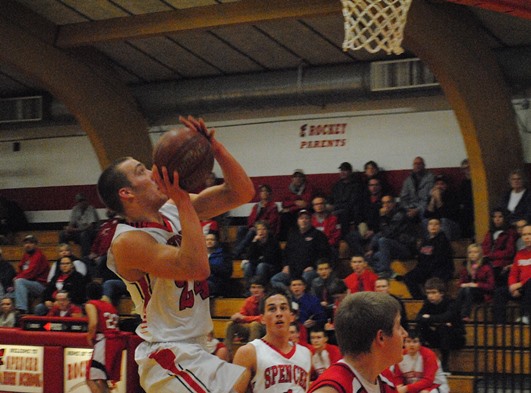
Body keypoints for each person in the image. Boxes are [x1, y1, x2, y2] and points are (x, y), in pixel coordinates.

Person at [98, 115, 254, 393]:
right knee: (244, 381)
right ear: (127, 193)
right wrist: (182, 200)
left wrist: (215, 149)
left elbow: (240, 193)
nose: (154, 171)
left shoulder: (174, 209)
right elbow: (196, 267)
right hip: (168, 353)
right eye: (141, 171)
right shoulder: (127, 241)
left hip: (198, 346)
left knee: (251, 379)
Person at [308, 291, 408, 393]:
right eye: (399, 326)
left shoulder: (386, 379)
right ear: (381, 337)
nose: (405, 334)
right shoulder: (331, 389)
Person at [232, 288, 312, 393]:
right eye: (272, 309)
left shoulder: (306, 354)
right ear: (262, 318)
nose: (279, 313)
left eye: (283, 308)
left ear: (292, 316)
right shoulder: (248, 352)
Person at [415, 278, 465, 373]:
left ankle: (445, 365)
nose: (430, 296)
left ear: (441, 293)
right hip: (438, 336)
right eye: (428, 293)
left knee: (444, 328)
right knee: (420, 326)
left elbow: (447, 316)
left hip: (455, 338)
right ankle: (421, 357)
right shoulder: (428, 303)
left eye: (433, 293)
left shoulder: (451, 303)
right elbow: (418, 317)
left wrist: (429, 318)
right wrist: (437, 320)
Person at [271, 209, 331, 288]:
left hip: (309, 270)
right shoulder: (292, 234)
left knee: (305, 278)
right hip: (292, 270)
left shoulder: (318, 235)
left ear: (310, 220)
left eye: (306, 218)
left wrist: (313, 266)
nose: (304, 221)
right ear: (297, 221)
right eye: (301, 218)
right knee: (275, 279)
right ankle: (290, 295)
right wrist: (286, 265)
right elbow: (285, 252)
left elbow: (324, 254)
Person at [86, 281, 125, 393]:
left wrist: (89, 337)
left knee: (90, 378)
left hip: (106, 341)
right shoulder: (109, 305)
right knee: (102, 379)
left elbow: (93, 323)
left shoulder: (91, 304)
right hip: (116, 341)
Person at [366, 195, 418, 279]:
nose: (386, 205)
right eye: (383, 203)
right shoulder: (388, 215)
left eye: (388, 202)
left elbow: (389, 234)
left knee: (383, 241)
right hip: (393, 247)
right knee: (370, 256)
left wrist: (382, 218)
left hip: (406, 248)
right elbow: (380, 233)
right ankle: (387, 271)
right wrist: (371, 248)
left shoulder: (400, 215)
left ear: (394, 203)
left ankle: (385, 271)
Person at [404, 218, 454, 300]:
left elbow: (440, 260)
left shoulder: (443, 240)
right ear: (427, 227)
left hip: (440, 269)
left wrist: (426, 270)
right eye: (431, 224)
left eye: (436, 224)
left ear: (440, 226)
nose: (433, 226)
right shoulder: (425, 241)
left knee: (433, 280)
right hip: (426, 269)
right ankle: (419, 299)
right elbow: (421, 259)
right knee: (408, 277)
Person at [492, 224, 531, 325]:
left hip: (527, 286)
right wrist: (512, 287)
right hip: (521, 288)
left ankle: (526, 316)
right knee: (499, 292)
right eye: (524, 234)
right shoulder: (520, 254)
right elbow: (513, 273)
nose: (527, 237)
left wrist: (520, 285)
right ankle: (499, 325)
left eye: (529, 234)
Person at [233, 184, 280, 258]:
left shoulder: (273, 206)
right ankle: (241, 252)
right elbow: (250, 219)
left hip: (267, 229)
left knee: (252, 231)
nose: (264, 193)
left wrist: (258, 226)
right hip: (255, 227)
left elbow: (272, 221)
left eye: (266, 191)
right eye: (262, 191)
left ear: (269, 193)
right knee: (241, 229)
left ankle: (236, 252)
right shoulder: (256, 206)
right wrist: (254, 226)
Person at [225, 276, 267, 360]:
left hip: (265, 329)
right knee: (231, 324)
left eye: (259, 287)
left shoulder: (268, 300)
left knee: (254, 325)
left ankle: (249, 354)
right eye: (253, 287)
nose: (256, 290)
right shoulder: (249, 301)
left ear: (264, 289)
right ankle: (227, 352)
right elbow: (242, 315)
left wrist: (244, 318)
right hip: (250, 328)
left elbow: (263, 319)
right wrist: (236, 317)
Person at [456, 243, 495, 321]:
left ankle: (464, 315)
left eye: (475, 252)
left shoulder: (486, 267)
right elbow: (461, 283)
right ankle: (456, 314)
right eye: (470, 252)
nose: (472, 254)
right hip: (468, 292)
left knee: (467, 290)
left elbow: (491, 286)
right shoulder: (466, 266)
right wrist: (464, 284)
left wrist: (476, 285)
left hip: (483, 293)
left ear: (480, 254)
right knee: (464, 290)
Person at [13, 234, 49, 314]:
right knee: (11, 292)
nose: (27, 245)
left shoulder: (38, 255)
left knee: (19, 282)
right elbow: (20, 269)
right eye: (26, 243)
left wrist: (17, 278)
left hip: (41, 285)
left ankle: (22, 310)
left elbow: (31, 273)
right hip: (30, 283)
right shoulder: (26, 255)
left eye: (30, 243)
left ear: (35, 244)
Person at [327, 162, 364, 239]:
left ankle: (343, 238)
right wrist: (328, 206)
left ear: (350, 172)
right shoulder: (337, 185)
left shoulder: (357, 186)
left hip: (349, 212)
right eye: (341, 170)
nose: (342, 173)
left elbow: (352, 202)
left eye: (345, 170)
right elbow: (330, 199)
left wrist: (334, 207)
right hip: (337, 210)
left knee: (344, 213)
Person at [481, 207, 517, 287]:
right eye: (495, 217)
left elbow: (509, 252)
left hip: (502, 263)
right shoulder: (490, 232)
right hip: (488, 262)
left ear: (505, 218)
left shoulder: (510, 232)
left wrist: (491, 255)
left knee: (492, 272)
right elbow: (484, 247)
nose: (497, 219)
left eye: (500, 217)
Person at [241, 220, 282, 288]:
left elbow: (269, 258)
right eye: (259, 229)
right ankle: (249, 289)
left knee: (261, 266)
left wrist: (257, 259)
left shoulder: (273, 241)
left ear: (267, 230)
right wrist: (254, 242)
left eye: (264, 229)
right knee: (247, 266)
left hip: (272, 266)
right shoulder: (255, 241)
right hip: (258, 264)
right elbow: (249, 256)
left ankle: (262, 288)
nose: (261, 231)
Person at [59, 193, 100, 257]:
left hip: (92, 233)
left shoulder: (90, 209)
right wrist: (68, 229)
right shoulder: (75, 209)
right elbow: (72, 223)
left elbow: (90, 227)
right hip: (79, 232)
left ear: (86, 201)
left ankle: (85, 258)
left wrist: (75, 230)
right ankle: (65, 256)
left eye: (82, 201)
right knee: (62, 234)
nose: (81, 203)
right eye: (79, 201)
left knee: (84, 235)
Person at [279, 169, 314, 240]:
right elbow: (284, 203)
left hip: (306, 210)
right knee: (283, 217)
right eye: (296, 177)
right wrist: (295, 202)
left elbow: (305, 203)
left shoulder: (309, 187)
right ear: (292, 179)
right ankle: (285, 240)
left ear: (303, 178)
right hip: (293, 211)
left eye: (300, 177)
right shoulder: (288, 188)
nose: (298, 179)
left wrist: (290, 208)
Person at [424, 174, 461, 240]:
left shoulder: (452, 195)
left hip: (452, 225)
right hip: (437, 224)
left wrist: (438, 199)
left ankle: (444, 244)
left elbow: (446, 215)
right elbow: (427, 215)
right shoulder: (432, 196)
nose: (439, 186)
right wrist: (432, 199)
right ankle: (428, 243)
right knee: (426, 221)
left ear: (446, 185)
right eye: (437, 184)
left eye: (442, 184)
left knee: (444, 221)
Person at [399, 157, 435, 221]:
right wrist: (408, 209)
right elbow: (403, 198)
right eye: (415, 164)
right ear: (413, 166)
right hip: (410, 208)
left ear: (424, 165)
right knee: (399, 217)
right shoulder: (408, 180)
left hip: (425, 208)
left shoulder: (431, 178)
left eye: (420, 164)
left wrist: (418, 210)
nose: (417, 165)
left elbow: (428, 198)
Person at [205, 231, 233, 297]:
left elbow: (227, 271)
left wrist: (209, 266)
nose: (209, 242)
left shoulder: (223, 255)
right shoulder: (200, 255)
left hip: (217, 282)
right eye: (207, 240)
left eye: (212, 240)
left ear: (216, 241)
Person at [457, 159, 474, 239]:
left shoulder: (477, 182)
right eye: (464, 169)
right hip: (466, 209)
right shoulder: (463, 183)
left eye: (468, 167)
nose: (467, 170)